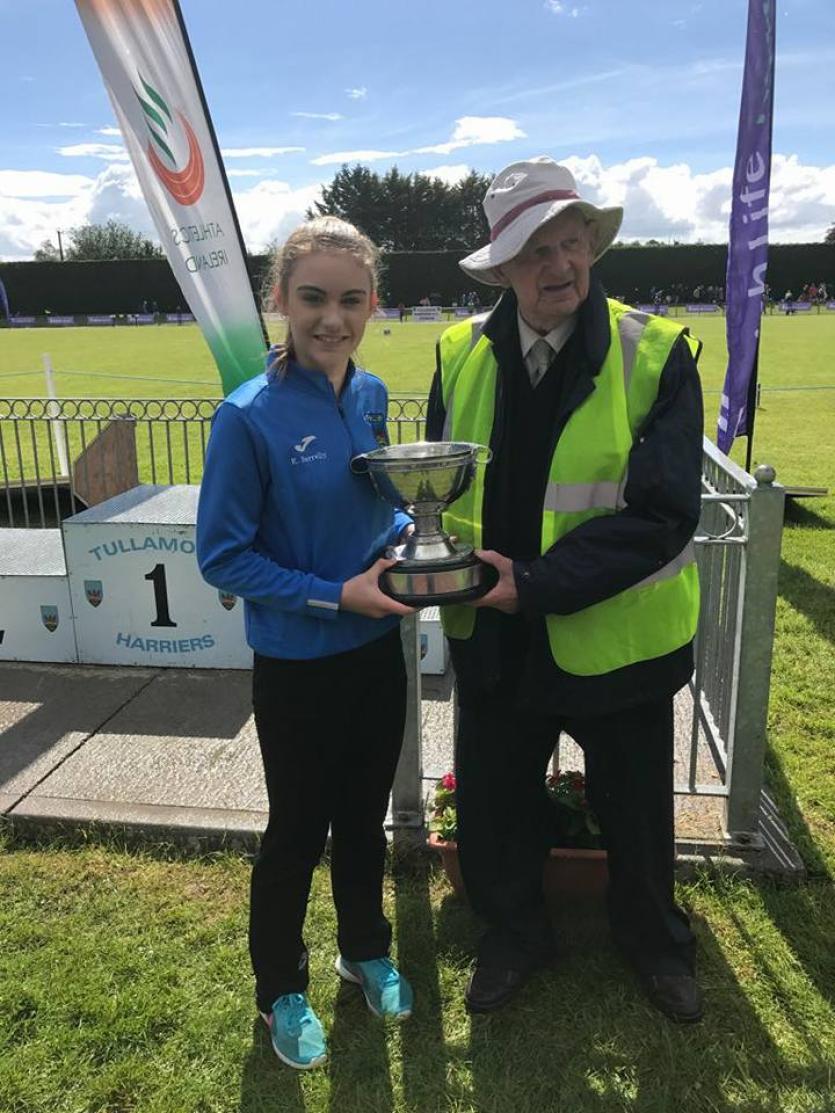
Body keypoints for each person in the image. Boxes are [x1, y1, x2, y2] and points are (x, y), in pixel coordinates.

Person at [426, 157, 705, 1023]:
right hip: (493, 633)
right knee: (496, 798)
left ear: (592, 246)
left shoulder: (655, 351)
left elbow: (662, 515)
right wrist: (435, 553)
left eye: (572, 243)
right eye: (534, 250)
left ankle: (653, 941)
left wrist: (536, 583)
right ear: (501, 269)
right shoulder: (456, 348)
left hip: (615, 634)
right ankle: (513, 933)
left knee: (636, 810)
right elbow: (437, 483)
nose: (560, 266)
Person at [197, 216, 415, 1071]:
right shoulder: (245, 416)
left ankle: (362, 950)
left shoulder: (369, 395)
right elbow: (222, 555)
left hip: (372, 654)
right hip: (296, 663)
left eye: (351, 299)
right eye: (314, 297)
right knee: (297, 829)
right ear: (279, 300)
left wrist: (404, 536)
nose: (333, 317)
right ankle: (278, 989)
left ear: (373, 305)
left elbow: (380, 502)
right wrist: (334, 593)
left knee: (362, 820)